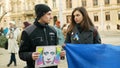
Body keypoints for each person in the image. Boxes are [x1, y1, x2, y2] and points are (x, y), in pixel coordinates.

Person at [19, 4, 65, 68]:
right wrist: (31, 55)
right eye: (48, 14)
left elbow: (56, 47)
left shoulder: (53, 30)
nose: (51, 17)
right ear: (41, 15)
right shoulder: (28, 32)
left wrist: (61, 53)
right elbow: (21, 53)